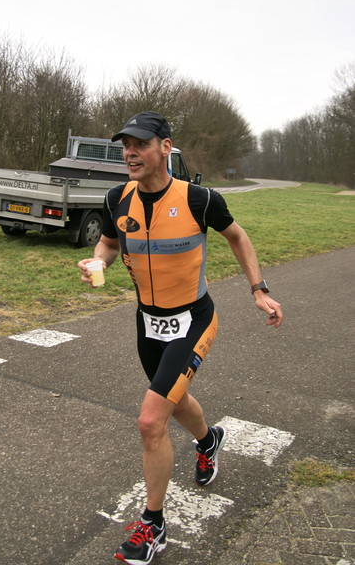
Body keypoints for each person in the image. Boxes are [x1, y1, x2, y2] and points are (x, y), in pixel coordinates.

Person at [78, 111, 283, 565]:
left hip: (193, 320)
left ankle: (153, 525)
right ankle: (209, 440)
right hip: (147, 323)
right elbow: (110, 244)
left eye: (140, 144)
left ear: (165, 148)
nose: (130, 153)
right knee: (173, 398)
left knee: (152, 419)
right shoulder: (117, 198)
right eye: (125, 145)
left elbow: (238, 236)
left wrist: (258, 289)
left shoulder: (200, 199)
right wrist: (99, 261)